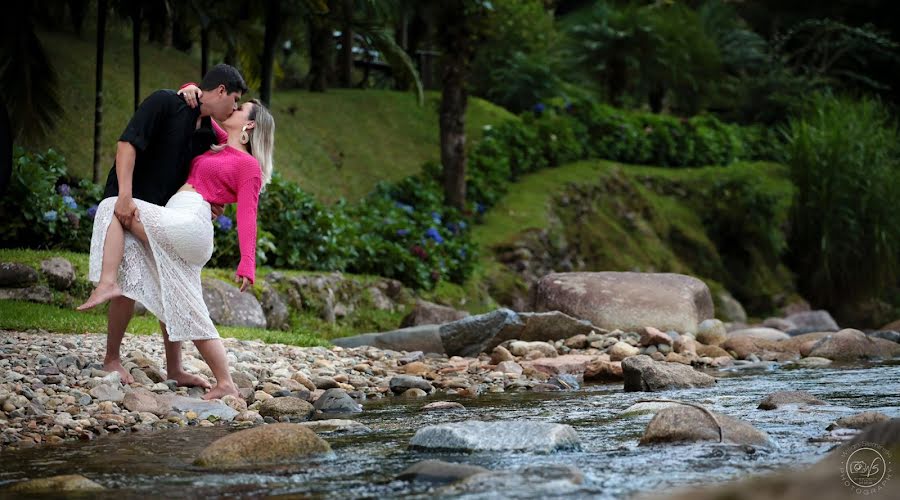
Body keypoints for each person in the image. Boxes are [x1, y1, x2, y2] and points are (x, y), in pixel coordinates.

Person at [79, 93, 274, 400]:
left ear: (249, 124)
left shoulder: (249, 166)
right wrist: (192, 88)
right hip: (177, 216)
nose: (232, 109)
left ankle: (107, 282)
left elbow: (248, 216)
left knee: (111, 208)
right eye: (233, 102)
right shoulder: (219, 141)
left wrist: (247, 262)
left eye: (239, 108)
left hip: (191, 223)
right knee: (181, 300)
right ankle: (219, 380)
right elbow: (207, 105)